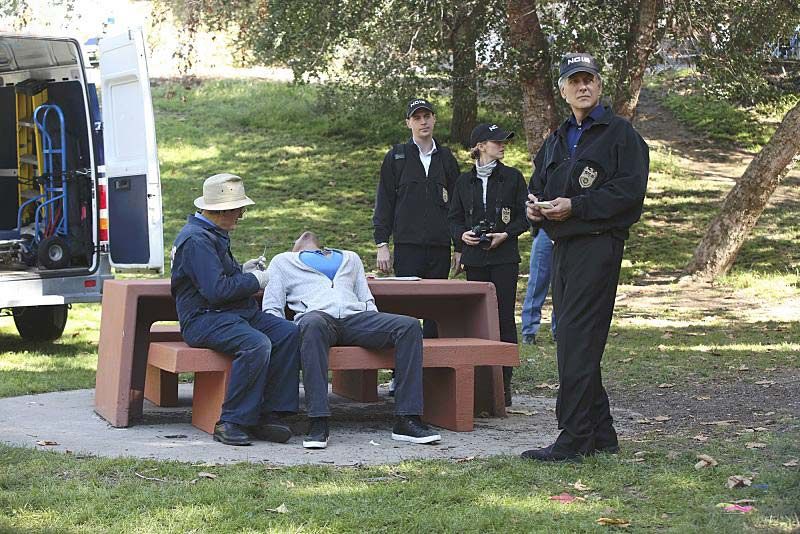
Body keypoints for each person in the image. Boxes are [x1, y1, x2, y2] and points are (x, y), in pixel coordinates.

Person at [521, 53, 649, 462]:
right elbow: (538, 185)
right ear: (563, 90)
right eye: (574, 81)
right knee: (575, 340)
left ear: (599, 85)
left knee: (576, 339)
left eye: (589, 79)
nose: (582, 86)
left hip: (598, 246)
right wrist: (534, 208)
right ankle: (602, 433)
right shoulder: (556, 140)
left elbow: (629, 194)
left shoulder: (620, 135)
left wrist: (576, 206)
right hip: (562, 248)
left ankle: (574, 438)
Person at [262, 231, 442, 449]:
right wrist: (284, 335)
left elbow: (365, 298)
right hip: (317, 319)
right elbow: (272, 306)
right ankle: (318, 421)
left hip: (356, 318)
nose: (305, 236)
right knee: (310, 324)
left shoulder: (350, 257)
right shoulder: (283, 261)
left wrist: (373, 322)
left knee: (409, 326)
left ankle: (408, 418)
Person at [171, 173, 301, 446]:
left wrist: (243, 270)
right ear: (222, 210)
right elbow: (216, 291)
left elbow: (217, 277)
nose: (241, 214)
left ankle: (269, 415)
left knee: (288, 332)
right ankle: (232, 422)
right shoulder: (196, 240)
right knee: (256, 344)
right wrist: (255, 280)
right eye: (239, 209)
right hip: (206, 319)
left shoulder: (211, 233)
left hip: (234, 314)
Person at [448, 123, 529, 407]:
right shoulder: (462, 181)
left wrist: (506, 234)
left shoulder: (513, 177)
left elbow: (525, 215)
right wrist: (462, 235)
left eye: (504, 141)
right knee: (478, 319)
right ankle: (479, 383)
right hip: (475, 259)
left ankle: (503, 383)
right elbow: (453, 219)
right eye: (497, 142)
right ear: (481, 146)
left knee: (504, 316)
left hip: (504, 257)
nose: (503, 145)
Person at [372, 98, 461, 339]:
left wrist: (459, 247)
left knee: (435, 311)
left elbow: (457, 207)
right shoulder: (396, 157)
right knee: (405, 310)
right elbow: (384, 202)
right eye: (417, 118)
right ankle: (402, 372)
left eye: (427, 116)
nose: (423, 122)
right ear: (408, 123)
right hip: (407, 246)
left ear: (434, 119)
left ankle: (433, 373)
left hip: (440, 247)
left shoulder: (446, 158)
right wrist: (382, 244)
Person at [520, 228, 556, 345]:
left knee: (564, 284)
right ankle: (529, 332)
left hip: (570, 231)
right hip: (545, 229)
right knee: (537, 282)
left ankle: (560, 331)